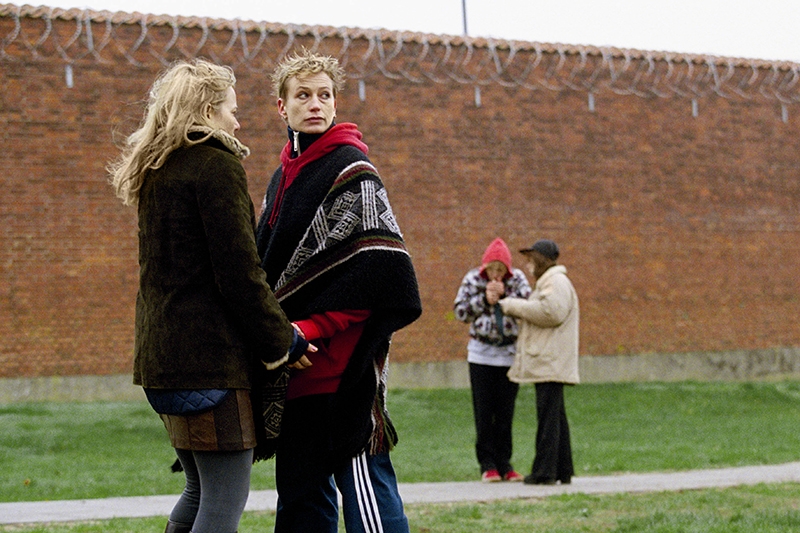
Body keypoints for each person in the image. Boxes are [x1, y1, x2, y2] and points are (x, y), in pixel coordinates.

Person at [108, 59, 311, 533]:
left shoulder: (160, 166)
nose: (237, 122)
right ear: (206, 109)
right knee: (223, 501)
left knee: (198, 491)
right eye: (231, 110)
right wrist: (283, 342)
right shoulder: (214, 163)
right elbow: (239, 274)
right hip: (209, 363)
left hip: (163, 361)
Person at [255, 50, 422, 533]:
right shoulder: (280, 179)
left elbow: (378, 276)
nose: (315, 104)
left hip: (341, 375)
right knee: (301, 505)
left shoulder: (354, 170)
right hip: (293, 376)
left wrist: (304, 330)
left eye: (324, 95)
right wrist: (277, 339)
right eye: (303, 95)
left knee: (368, 499)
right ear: (281, 107)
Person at [499, 239, 579, 486]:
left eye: (532, 258)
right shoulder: (552, 282)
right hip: (550, 360)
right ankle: (562, 470)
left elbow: (550, 313)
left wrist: (513, 306)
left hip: (549, 361)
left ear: (543, 259)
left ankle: (544, 472)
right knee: (555, 417)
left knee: (548, 418)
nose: (528, 264)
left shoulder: (555, 282)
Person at [453, 237, 531, 483]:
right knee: (484, 411)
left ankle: (505, 463)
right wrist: (484, 300)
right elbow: (460, 312)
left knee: (505, 412)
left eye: (501, 269)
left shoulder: (517, 280)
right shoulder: (472, 280)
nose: (496, 274)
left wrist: (505, 298)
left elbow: (530, 308)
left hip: (508, 355)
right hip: (481, 354)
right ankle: (487, 465)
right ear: (484, 267)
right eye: (492, 269)